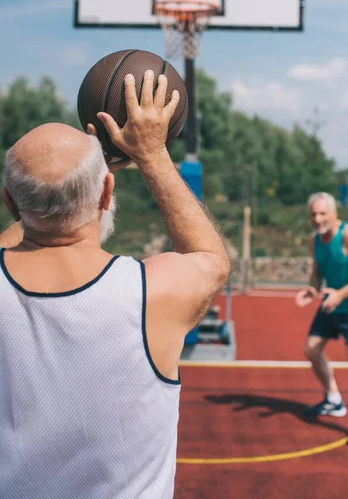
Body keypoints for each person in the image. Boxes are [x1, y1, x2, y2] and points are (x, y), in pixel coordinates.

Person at [0, 71, 230, 499]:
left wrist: (40, 201)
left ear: (10, 202)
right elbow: (211, 259)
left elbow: (28, 217)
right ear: (106, 192)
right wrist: (152, 154)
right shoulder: (149, 296)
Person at [295, 192, 348, 446]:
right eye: (313, 215)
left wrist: (340, 294)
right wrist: (312, 289)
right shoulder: (315, 241)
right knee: (311, 349)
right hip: (332, 302)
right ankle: (333, 399)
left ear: (333, 213)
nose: (318, 219)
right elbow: (318, 271)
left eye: (322, 213)